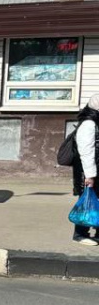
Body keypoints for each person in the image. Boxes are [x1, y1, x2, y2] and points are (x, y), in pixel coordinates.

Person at [71, 94, 99, 245]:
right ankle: (80, 234)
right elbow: (86, 151)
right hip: (88, 173)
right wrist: (90, 175)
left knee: (96, 202)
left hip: (95, 171)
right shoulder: (89, 124)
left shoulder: (96, 122)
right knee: (87, 202)